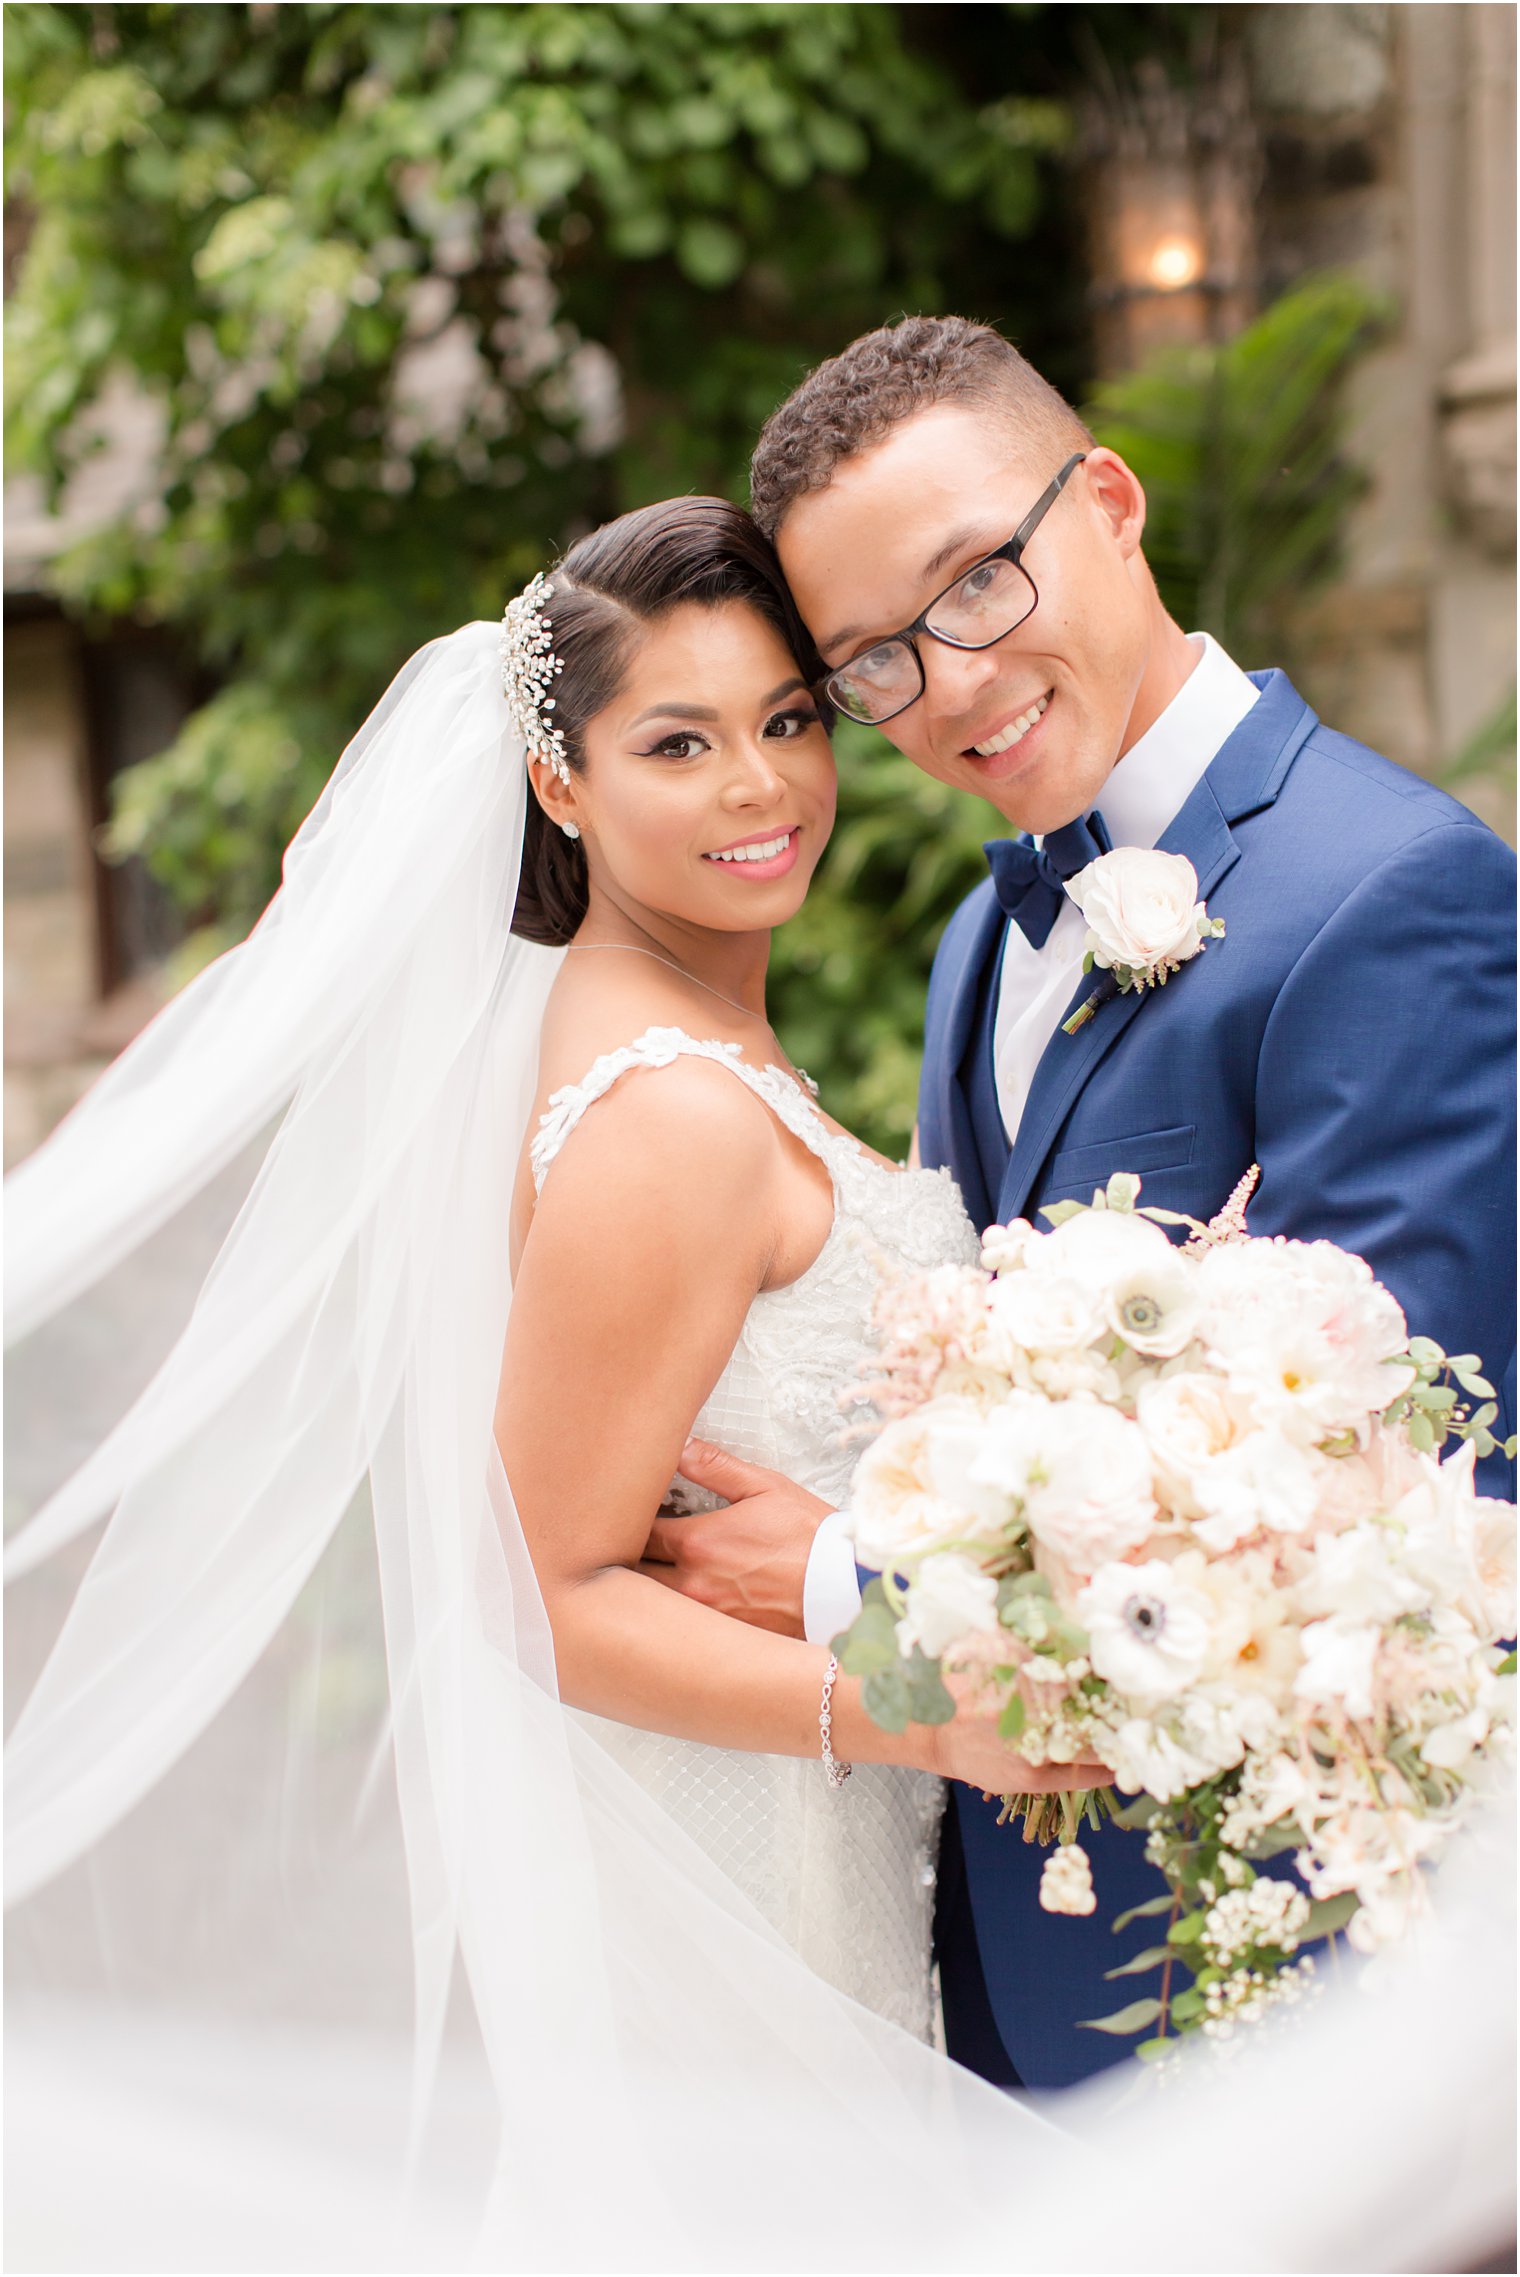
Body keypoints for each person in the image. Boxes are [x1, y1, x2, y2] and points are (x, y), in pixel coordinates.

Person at [5, 494, 1096, 2270]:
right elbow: (539, 1598)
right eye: (681, 741)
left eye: (789, 721)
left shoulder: (678, 1039)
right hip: (740, 1869)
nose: (762, 785)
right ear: (563, 784)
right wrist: (907, 1709)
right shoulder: (666, 1114)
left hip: (803, 1833)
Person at [644, 313, 1518, 2096]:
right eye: (870, 659)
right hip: (1007, 1959)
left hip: (1287, 1985)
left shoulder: (1396, 895)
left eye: (978, 581)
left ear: (1106, 502)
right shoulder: (985, 935)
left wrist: (836, 1575)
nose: (948, 687)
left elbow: (1388, 1519)